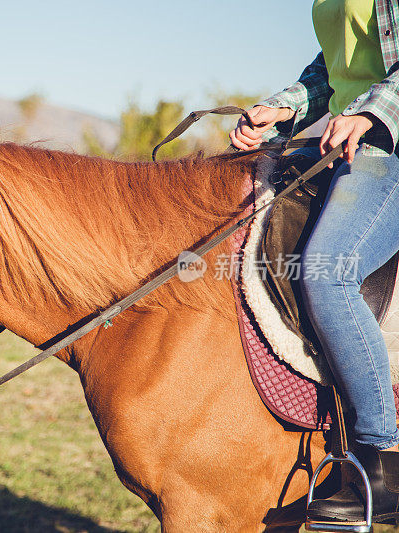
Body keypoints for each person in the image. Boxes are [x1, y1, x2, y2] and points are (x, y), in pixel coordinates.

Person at [230, 0, 399, 525]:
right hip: (349, 143)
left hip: (387, 147)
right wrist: (281, 109)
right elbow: (334, 69)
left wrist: (372, 114)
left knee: (329, 273)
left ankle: (384, 466)